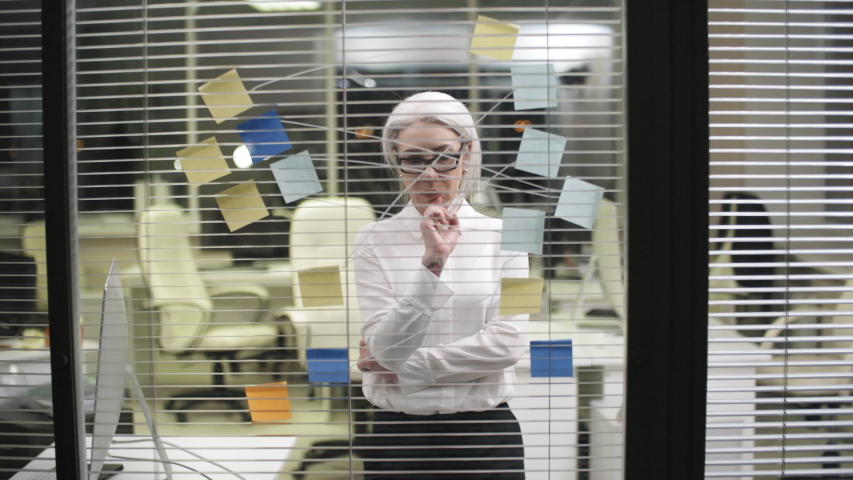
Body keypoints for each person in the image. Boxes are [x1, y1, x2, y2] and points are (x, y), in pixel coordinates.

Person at [353, 91, 530, 479]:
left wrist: (402, 367)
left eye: (443, 157)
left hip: (484, 438)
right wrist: (433, 262)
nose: (429, 175)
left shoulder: (509, 236)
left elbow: (509, 342)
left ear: (466, 156)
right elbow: (383, 346)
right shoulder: (371, 240)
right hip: (400, 438)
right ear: (396, 163)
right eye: (413, 160)